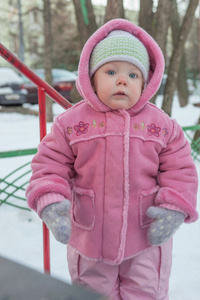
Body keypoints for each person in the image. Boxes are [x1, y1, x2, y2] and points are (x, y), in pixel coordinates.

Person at [26, 19, 198, 300]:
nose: (122, 80)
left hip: (146, 236)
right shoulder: (71, 124)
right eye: (111, 71)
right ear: (90, 77)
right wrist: (51, 199)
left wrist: (174, 207)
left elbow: (180, 169)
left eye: (133, 75)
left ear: (146, 82)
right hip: (90, 238)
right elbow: (50, 164)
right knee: (92, 293)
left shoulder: (162, 126)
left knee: (145, 293)